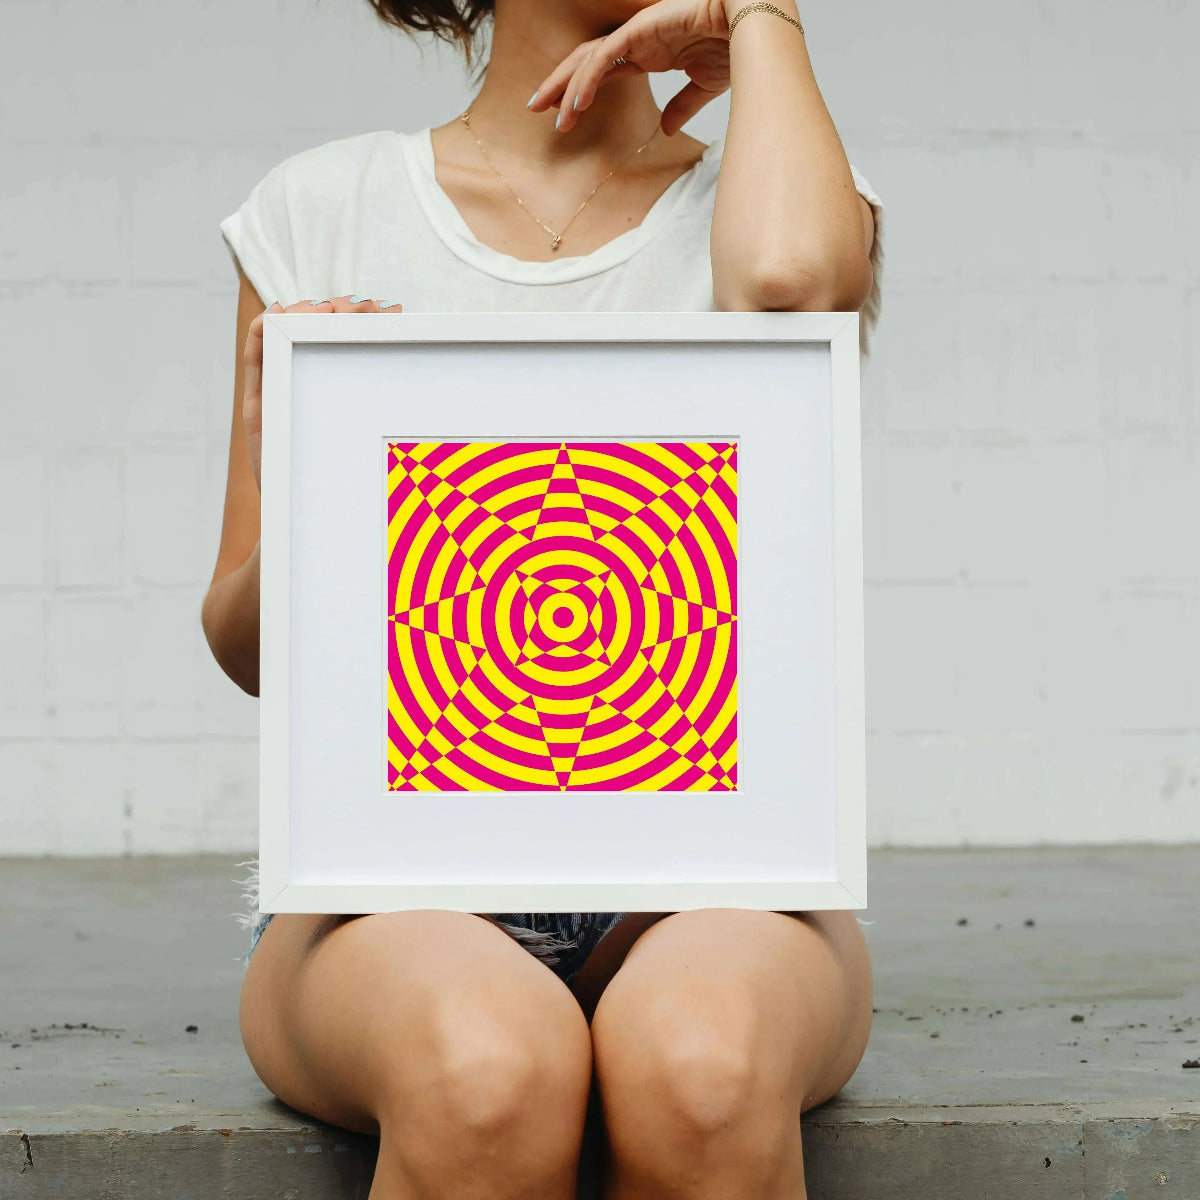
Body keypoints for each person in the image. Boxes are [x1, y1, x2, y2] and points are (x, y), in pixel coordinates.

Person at [202, 0, 883, 1195]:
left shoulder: (780, 191)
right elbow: (246, 645)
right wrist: (297, 464)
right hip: (387, 895)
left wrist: (759, 16)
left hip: (715, 879)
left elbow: (789, 285)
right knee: (485, 1071)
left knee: (704, 1070)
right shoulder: (320, 206)